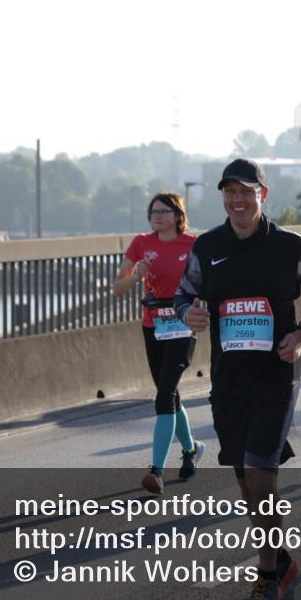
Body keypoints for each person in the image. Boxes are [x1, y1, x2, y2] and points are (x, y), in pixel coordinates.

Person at [175, 158, 301, 600]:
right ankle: (280, 559)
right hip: (228, 380)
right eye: (230, 192)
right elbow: (183, 295)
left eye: (247, 191)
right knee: (245, 475)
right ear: (223, 196)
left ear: (263, 194)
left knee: (261, 469)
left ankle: (265, 576)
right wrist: (188, 315)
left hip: (276, 375)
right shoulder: (207, 247)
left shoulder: (290, 245)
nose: (238, 200)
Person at [112, 192, 204, 494]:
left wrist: (199, 305)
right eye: (153, 212)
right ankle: (191, 450)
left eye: (164, 211)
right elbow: (116, 287)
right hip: (153, 326)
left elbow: (207, 282)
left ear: (178, 215)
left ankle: (156, 470)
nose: (158, 216)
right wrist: (136, 277)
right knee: (169, 395)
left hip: (182, 326)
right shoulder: (141, 243)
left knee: (164, 397)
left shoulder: (192, 245)